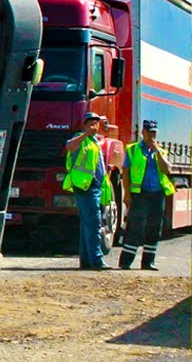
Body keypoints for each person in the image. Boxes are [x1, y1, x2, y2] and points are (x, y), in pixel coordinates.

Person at [117, 120, 176, 270]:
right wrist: (127, 194)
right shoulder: (133, 149)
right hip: (140, 194)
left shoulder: (161, 151)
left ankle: (148, 262)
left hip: (157, 194)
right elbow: (126, 173)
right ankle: (125, 262)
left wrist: (157, 152)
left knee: (155, 227)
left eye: (154, 132)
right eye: (149, 132)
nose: (151, 135)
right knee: (135, 226)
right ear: (143, 132)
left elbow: (167, 170)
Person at [62, 112, 110, 270]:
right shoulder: (81, 138)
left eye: (96, 123)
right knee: (94, 223)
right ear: (84, 125)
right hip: (84, 186)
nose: (93, 126)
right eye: (90, 123)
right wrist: (85, 134)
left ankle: (86, 260)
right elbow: (69, 146)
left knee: (87, 225)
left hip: (93, 186)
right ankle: (97, 260)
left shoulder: (95, 142)